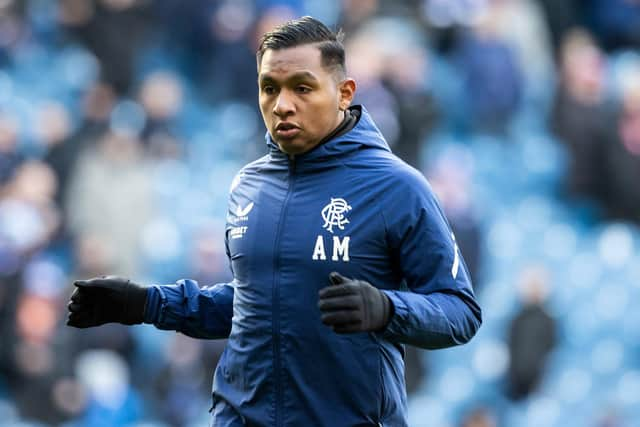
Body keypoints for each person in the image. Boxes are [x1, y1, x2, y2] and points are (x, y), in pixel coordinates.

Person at [66, 16, 482, 427]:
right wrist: (144, 303)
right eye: (270, 88)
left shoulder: (397, 187)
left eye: (302, 87)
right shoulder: (248, 186)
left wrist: (387, 308)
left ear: (344, 92)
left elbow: (460, 311)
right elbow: (256, 305)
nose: (282, 104)